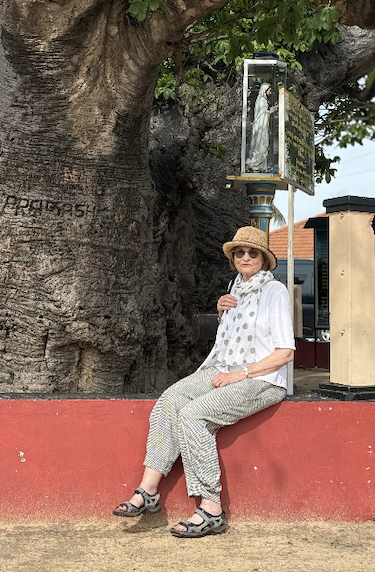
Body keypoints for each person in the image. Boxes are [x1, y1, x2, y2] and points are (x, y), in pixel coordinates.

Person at [112, 225, 295, 538]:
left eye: (253, 252)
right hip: (223, 368)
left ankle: (211, 509)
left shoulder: (274, 291)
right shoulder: (234, 288)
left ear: (264, 258)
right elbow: (232, 342)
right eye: (240, 252)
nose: (245, 257)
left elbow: (286, 352)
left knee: (194, 415)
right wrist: (223, 315)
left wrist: (241, 374)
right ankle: (148, 491)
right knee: (169, 401)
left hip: (262, 380)